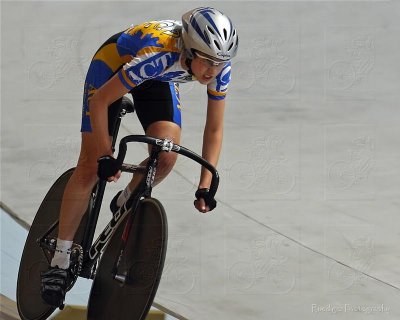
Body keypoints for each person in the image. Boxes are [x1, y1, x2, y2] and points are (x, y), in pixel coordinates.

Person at [40, 7, 238, 307]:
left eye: (220, 63)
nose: (213, 71)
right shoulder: (158, 55)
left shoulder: (217, 68)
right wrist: (105, 152)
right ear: (190, 50)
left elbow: (214, 128)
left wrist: (205, 184)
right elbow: (101, 100)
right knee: (91, 167)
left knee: (167, 155)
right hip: (112, 68)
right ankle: (60, 258)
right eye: (208, 62)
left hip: (158, 80)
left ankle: (125, 198)